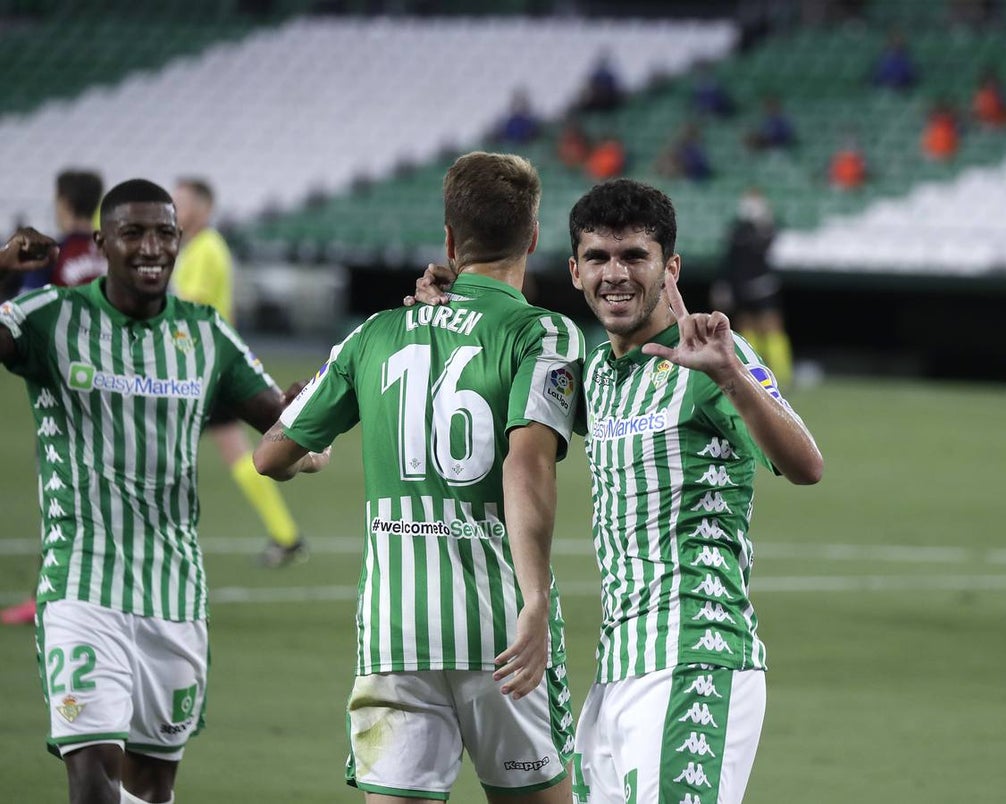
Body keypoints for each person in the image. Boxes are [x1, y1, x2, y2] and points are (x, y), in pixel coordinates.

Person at [409, 179, 824, 803]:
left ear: (670, 268)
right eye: (598, 257)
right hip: (616, 670)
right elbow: (504, 385)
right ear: (575, 271)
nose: (616, 274)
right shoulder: (595, 373)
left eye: (635, 256)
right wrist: (455, 303)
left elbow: (805, 464)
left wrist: (731, 375)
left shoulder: (711, 357)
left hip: (695, 655)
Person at [254, 152, 583, 802]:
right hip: (502, 634)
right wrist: (536, 599)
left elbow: (270, 456)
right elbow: (528, 463)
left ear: (451, 240)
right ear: (533, 237)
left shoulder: (375, 332)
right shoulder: (544, 334)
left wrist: (310, 455)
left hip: (395, 634)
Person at [0, 179, 323, 804]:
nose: (151, 247)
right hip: (81, 588)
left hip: (175, 596)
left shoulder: (205, 334)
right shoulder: (53, 317)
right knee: (92, 785)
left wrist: (306, 425)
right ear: (102, 243)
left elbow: (291, 438)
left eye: (164, 234)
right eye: (134, 233)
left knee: (152, 789)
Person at [171, 178, 308, 567]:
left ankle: (152, 535)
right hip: (210, 365)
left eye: (181, 203)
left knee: (158, 446)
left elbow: (190, 309)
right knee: (233, 452)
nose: (175, 210)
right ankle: (286, 536)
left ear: (203, 208)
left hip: (201, 368)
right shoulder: (200, 248)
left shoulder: (205, 249)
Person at [2, 169, 107, 626]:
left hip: (64, 384)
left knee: (60, 491)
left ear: (62, 201)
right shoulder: (110, 252)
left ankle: (48, 594)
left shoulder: (49, 253)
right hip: (114, 380)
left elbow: (23, 314)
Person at [712, 187, 793, 388]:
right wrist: (723, 285)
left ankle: (782, 374)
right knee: (746, 327)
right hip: (741, 286)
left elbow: (776, 250)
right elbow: (729, 259)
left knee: (771, 327)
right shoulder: (737, 229)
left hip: (763, 286)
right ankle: (753, 371)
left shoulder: (768, 227)